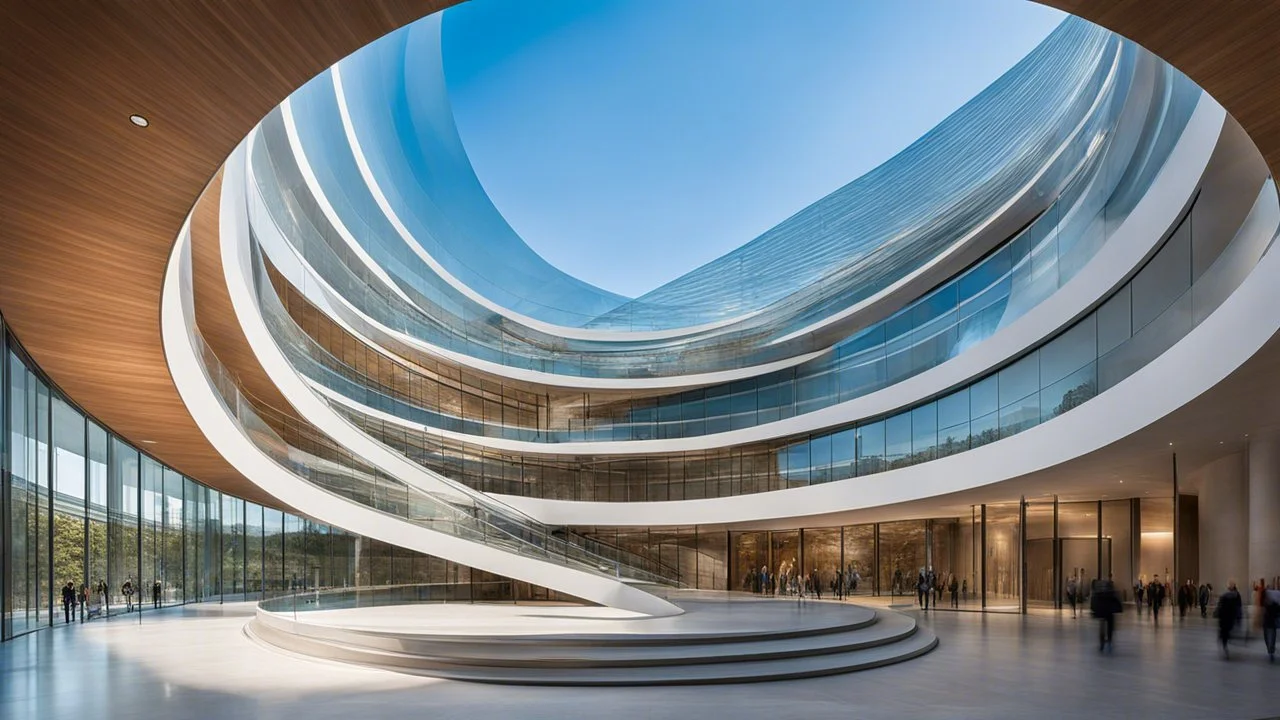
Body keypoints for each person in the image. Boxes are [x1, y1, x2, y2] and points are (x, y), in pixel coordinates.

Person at [1090, 575, 1121, 652]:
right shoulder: (1110, 591)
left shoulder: (1098, 593)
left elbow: (1094, 602)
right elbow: (1116, 600)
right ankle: (1109, 641)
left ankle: (1102, 642)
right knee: (1109, 626)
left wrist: (1094, 611)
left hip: (1102, 612)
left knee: (1102, 626)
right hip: (1109, 612)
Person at [1215, 581, 1243, 659]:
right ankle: (1225, 643)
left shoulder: (1225, 596)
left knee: (1224, 632)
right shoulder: (1236, 596)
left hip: (1224, 619)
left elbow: (1219, 607)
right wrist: (1238, 618)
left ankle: (1224, 644)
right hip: (1230, 618)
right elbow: (1238, 608)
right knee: (1227, 631)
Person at [1262, 581, 1279, 663]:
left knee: (1269, 638)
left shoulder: (1268, 604)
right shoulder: (1274, 604)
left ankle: (1270, 651)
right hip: (1271, 624)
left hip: (1268, 624)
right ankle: (1271, 651)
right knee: (1271, 638)